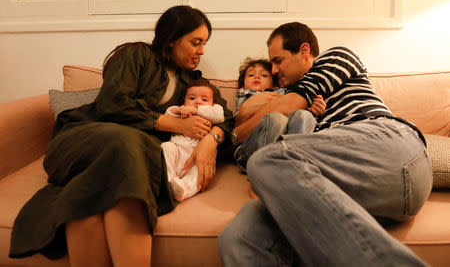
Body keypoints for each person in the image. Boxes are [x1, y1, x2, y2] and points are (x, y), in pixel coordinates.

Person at [9, 5, 233, 267]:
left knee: (122, 169)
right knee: (130, 142)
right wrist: (173, 124)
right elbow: (112, 103)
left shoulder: (191, 83)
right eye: (196, 42)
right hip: (83, 139)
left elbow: (227, 116)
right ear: (172, 38)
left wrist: (212, 138)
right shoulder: (136, 55)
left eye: (204, 43)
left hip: (129, 155)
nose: (202, 51)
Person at [219, 22, 433, 266]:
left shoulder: (335, 58)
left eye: (279, 60)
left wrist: (228, 137)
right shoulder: (293, 101)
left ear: (304, 51)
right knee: (240, 238)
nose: (274, 69)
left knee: (269, 158)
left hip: (387, 146)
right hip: (343, 185)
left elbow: (286, 106)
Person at [232, 57, 325, 171]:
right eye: (251, 75)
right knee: (275, 119)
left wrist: (314, 109)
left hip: (284, 144)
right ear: (242, 85)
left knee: (304, 115)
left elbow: (295, 107)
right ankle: (264, 169)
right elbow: (239, 123)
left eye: (264, 75)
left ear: (275, 85)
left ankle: (295, 161)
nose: (256, 77)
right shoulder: (244, 94)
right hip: (250, 148)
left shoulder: (285, 92)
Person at [161, 80, 225, 202]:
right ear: (184, 99)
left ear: (213, 103)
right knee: (166, 147)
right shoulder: (181, 109)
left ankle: (183, 190)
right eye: (192, 98)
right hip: (177, 150)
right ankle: (169, 179)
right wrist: (179, 110)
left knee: (199, 172)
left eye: (204, 100)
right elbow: (168, 114)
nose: (197, 102)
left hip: (198, 156)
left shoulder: (213, 111)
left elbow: (220, 116)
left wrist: (197, 110)